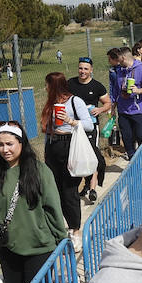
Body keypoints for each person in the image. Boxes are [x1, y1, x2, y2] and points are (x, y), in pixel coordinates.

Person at [0, 122, 66, 283]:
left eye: (10, 144)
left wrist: (61, 240)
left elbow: (53, 208)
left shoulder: (40, 171)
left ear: (21, 143)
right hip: (7, 248)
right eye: (0, 144)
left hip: (38, 246)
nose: (5, 149)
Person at [39, 72, 95, 245]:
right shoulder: (50, 104)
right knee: (54, 190)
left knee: (69, 191)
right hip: (53, 146)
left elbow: (89, 124)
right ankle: (58, 227)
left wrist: (70, 121)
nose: (45, 88)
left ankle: (75, 230)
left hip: (69, 146)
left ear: (54, 85)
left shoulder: (74, 101)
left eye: (47, 84)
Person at [64, 58, 111, 204]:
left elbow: (108, 103)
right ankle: (84, 186)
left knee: (91, 156)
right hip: (73, 127)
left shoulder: (97, 86)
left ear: (91, 70)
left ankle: (92, 189)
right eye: (80, 68)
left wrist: (100, 109)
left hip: (90, 127)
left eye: (85, 69)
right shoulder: (70, 84)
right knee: (78, 157)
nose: (82, 71)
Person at [109, 47, 142, 157]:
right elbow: (116, 90)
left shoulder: (140, 69)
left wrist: (138, 90)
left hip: (138, 111)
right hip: (123, 111)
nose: (117, 61)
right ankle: (132, 161)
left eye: (118, 58)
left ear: (124, 57)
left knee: (141, 138)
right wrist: (113, 106)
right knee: (127, 139)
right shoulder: (120, 70)